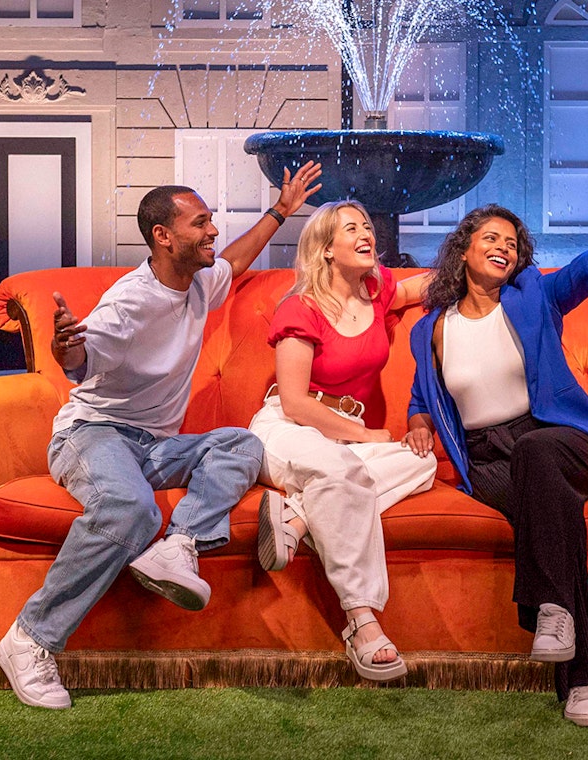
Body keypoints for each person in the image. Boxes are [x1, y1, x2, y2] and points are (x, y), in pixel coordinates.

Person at [0, 163, 323, 709]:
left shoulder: (198, 279)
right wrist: (64, 345)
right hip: (92, 433)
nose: (213, 231)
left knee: (241, 444)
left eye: (211, 221)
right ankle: (30, 638)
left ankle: (181, 546)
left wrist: (281, 211)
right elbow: (80, 359)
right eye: (200, 223)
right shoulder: (130, 301)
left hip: (153, 443)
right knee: (132, 512)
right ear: (163, 237)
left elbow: (236, 261)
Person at [403, 175, 588, 725]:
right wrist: (418, 419)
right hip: (487, 458)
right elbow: (420, 391)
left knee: (537, 458)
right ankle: (583, 680)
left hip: (563, 439)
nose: (504, 248)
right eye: (491, 239)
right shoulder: (430, 328)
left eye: (512, 243)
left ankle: (546, 611)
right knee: (559, 524)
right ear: (463, 250)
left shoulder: (533, 297)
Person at [249, 200, 437, 682]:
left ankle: (297, 515)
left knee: (422, 463)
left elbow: (431, 283)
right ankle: (361, 619)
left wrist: (495, 268)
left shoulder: (378, 294)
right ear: (326, 249)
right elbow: (294, 403)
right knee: (340, 469)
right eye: (350, 227)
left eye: (368, 225)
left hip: (347, 449)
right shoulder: (301, 308)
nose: (366, 233)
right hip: (289, 429)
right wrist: (365, 432)